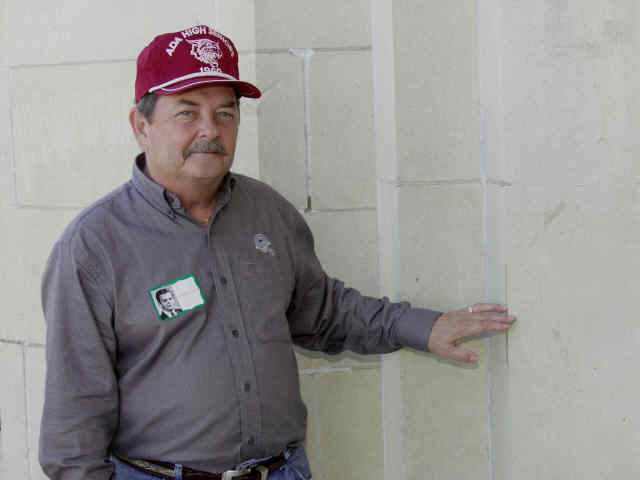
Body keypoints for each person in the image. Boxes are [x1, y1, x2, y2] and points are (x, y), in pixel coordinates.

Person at [39, 25, 516, 480]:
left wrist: (422, 326)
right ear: (141, 125)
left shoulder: (266, 212)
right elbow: (73, 421)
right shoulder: (93, 247)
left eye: (225, 113)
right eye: (187, 112)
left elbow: (324, 313)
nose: (210, 129)